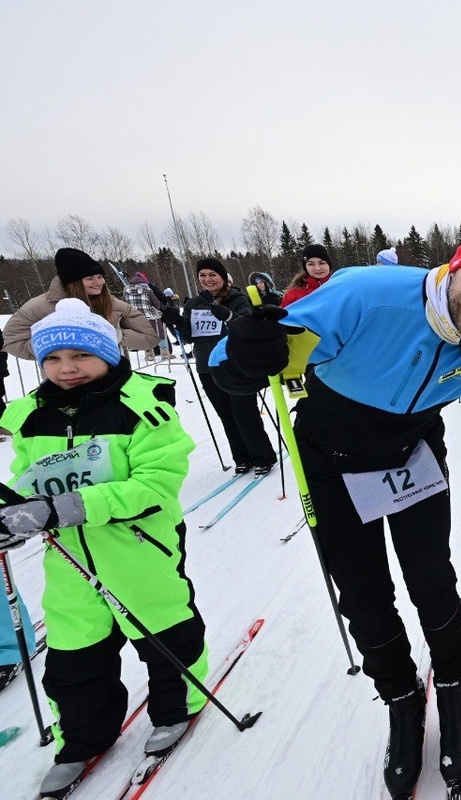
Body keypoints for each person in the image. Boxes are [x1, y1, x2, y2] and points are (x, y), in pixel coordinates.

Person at [211, 213, 461, 798]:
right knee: (363, 595)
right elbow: (234, 370)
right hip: (331, 456)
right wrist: (244, 351)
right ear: (459, 261)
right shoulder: (366, 294)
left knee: (431, 580)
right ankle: (400, 698)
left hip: (413, 454)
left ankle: (456, 688)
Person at [0, 299, 206, 797]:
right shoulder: (30, 417)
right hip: (68, 557)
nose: (66, 368)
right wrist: (16, 513)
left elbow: (156, 486)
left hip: (139, 547)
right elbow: (28, 482)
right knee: (74, 650)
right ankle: (81, 738)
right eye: (52, 358)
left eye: (79, 355)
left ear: (108, 353)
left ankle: (177, 707)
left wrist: (64, 506)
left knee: (163, 629)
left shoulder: (143, 406)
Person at [181, 258, 277, 476]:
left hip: (236, 364)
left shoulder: (238, 298)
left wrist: (228, 315)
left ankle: (263, 457)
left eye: (212, 275)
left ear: (223, 278)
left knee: (245, 413)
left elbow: (249, 326)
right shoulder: (194, 304)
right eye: (203, 275)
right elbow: (187, 337)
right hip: (207, 366)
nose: (208, 279)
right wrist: (174, 322)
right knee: (226, 415)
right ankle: (241, 457)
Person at [3, 248, 159, 362]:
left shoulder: (112, 303)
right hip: (66, 385)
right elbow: (11, 340)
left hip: (113, 381)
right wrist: (54, 345)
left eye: (100, 276)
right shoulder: (40, 306)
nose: (99, 282)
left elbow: (149, 338)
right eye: (90, 278)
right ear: (74, 282)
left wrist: (112, 334)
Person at [123, 272, 165, 361]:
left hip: (135, 318)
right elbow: (157, 304)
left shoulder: (126, 291)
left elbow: (123, 305)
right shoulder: (147, 290)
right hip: (150, 317)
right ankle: (164, 352)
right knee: (159, 333)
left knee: (144, 336)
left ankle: (149, 354)